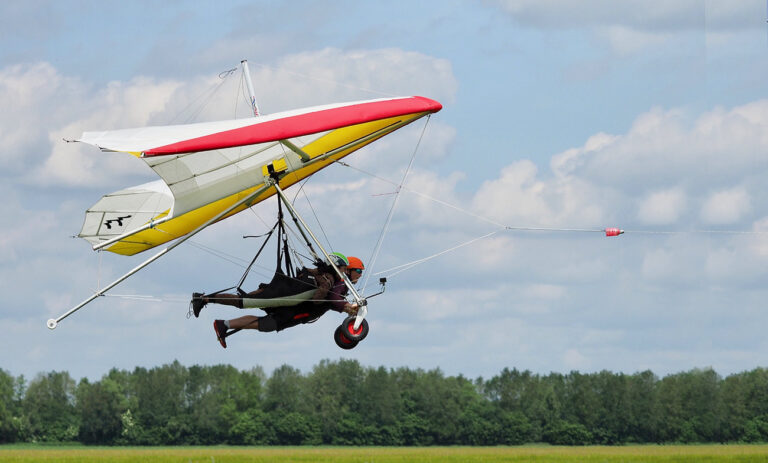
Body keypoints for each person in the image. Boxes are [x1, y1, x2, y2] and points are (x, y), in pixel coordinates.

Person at [192, 253, 365, 348]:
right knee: (245, 303)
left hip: (289, 303)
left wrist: (344, 307)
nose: (345, 271)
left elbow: (330, 300)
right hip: (290, 307)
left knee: (258, 316)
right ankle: (204, 299)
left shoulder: (329, 279)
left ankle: (223, 324)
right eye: (357, 270)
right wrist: (347, 307)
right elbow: (329, 299)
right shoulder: (332, 281)